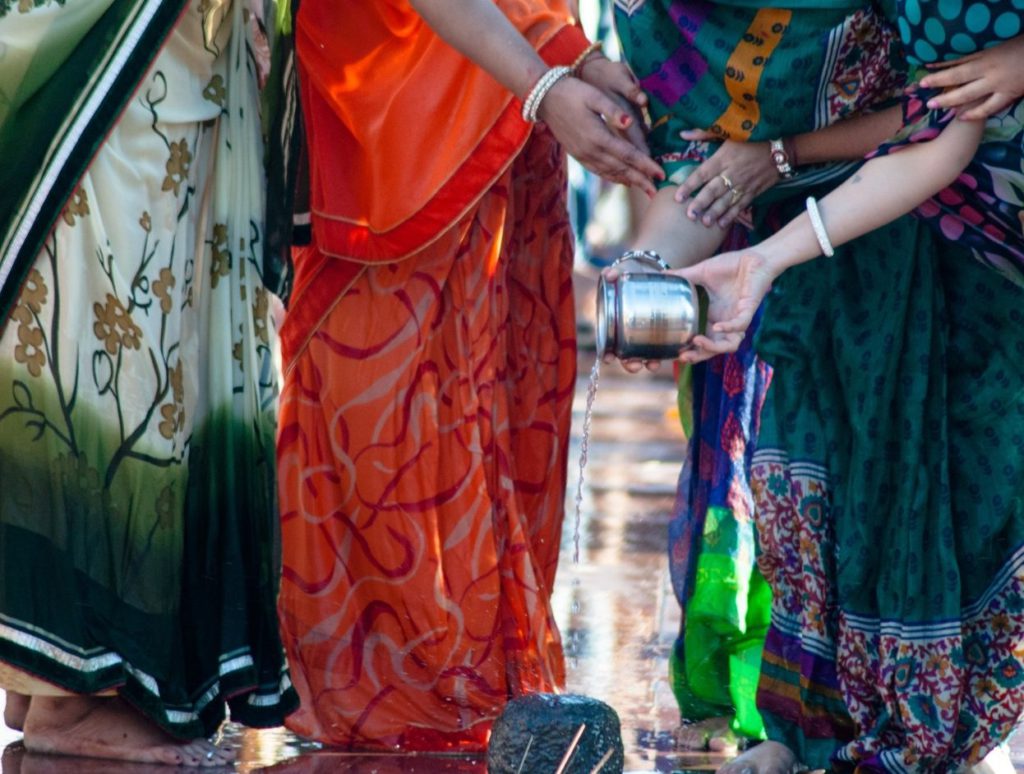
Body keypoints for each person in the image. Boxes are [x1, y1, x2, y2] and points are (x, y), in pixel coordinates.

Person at [274, 0, 664, 752]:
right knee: (376, 400)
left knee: (486, 391)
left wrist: (570, 59)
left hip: (502, 91)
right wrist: (546, 85)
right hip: (396, 94)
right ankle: (396, 686)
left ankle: (470, 673)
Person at [674, 22, 1024, 774]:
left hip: (989, 242)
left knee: (976, 478)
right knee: (817, 462)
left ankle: (945, 733)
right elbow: (941, 117)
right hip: (868, 205)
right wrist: (747, 241)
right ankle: (815, 733)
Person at [0, 0, 297, 766]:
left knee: (90, 336)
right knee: (115, 350)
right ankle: (74, 690)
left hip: (141, 54)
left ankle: (49, 678)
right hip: (125, 62)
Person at [608, 0, 910, 752]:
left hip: (916, 229)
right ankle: (791, 721)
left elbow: (942, 111)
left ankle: (912, 727)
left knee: (893, 488)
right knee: (779, 487)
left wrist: (781, 154)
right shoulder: (668, 17)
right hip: (753, 268)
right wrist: (644, 275)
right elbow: (699, 173)